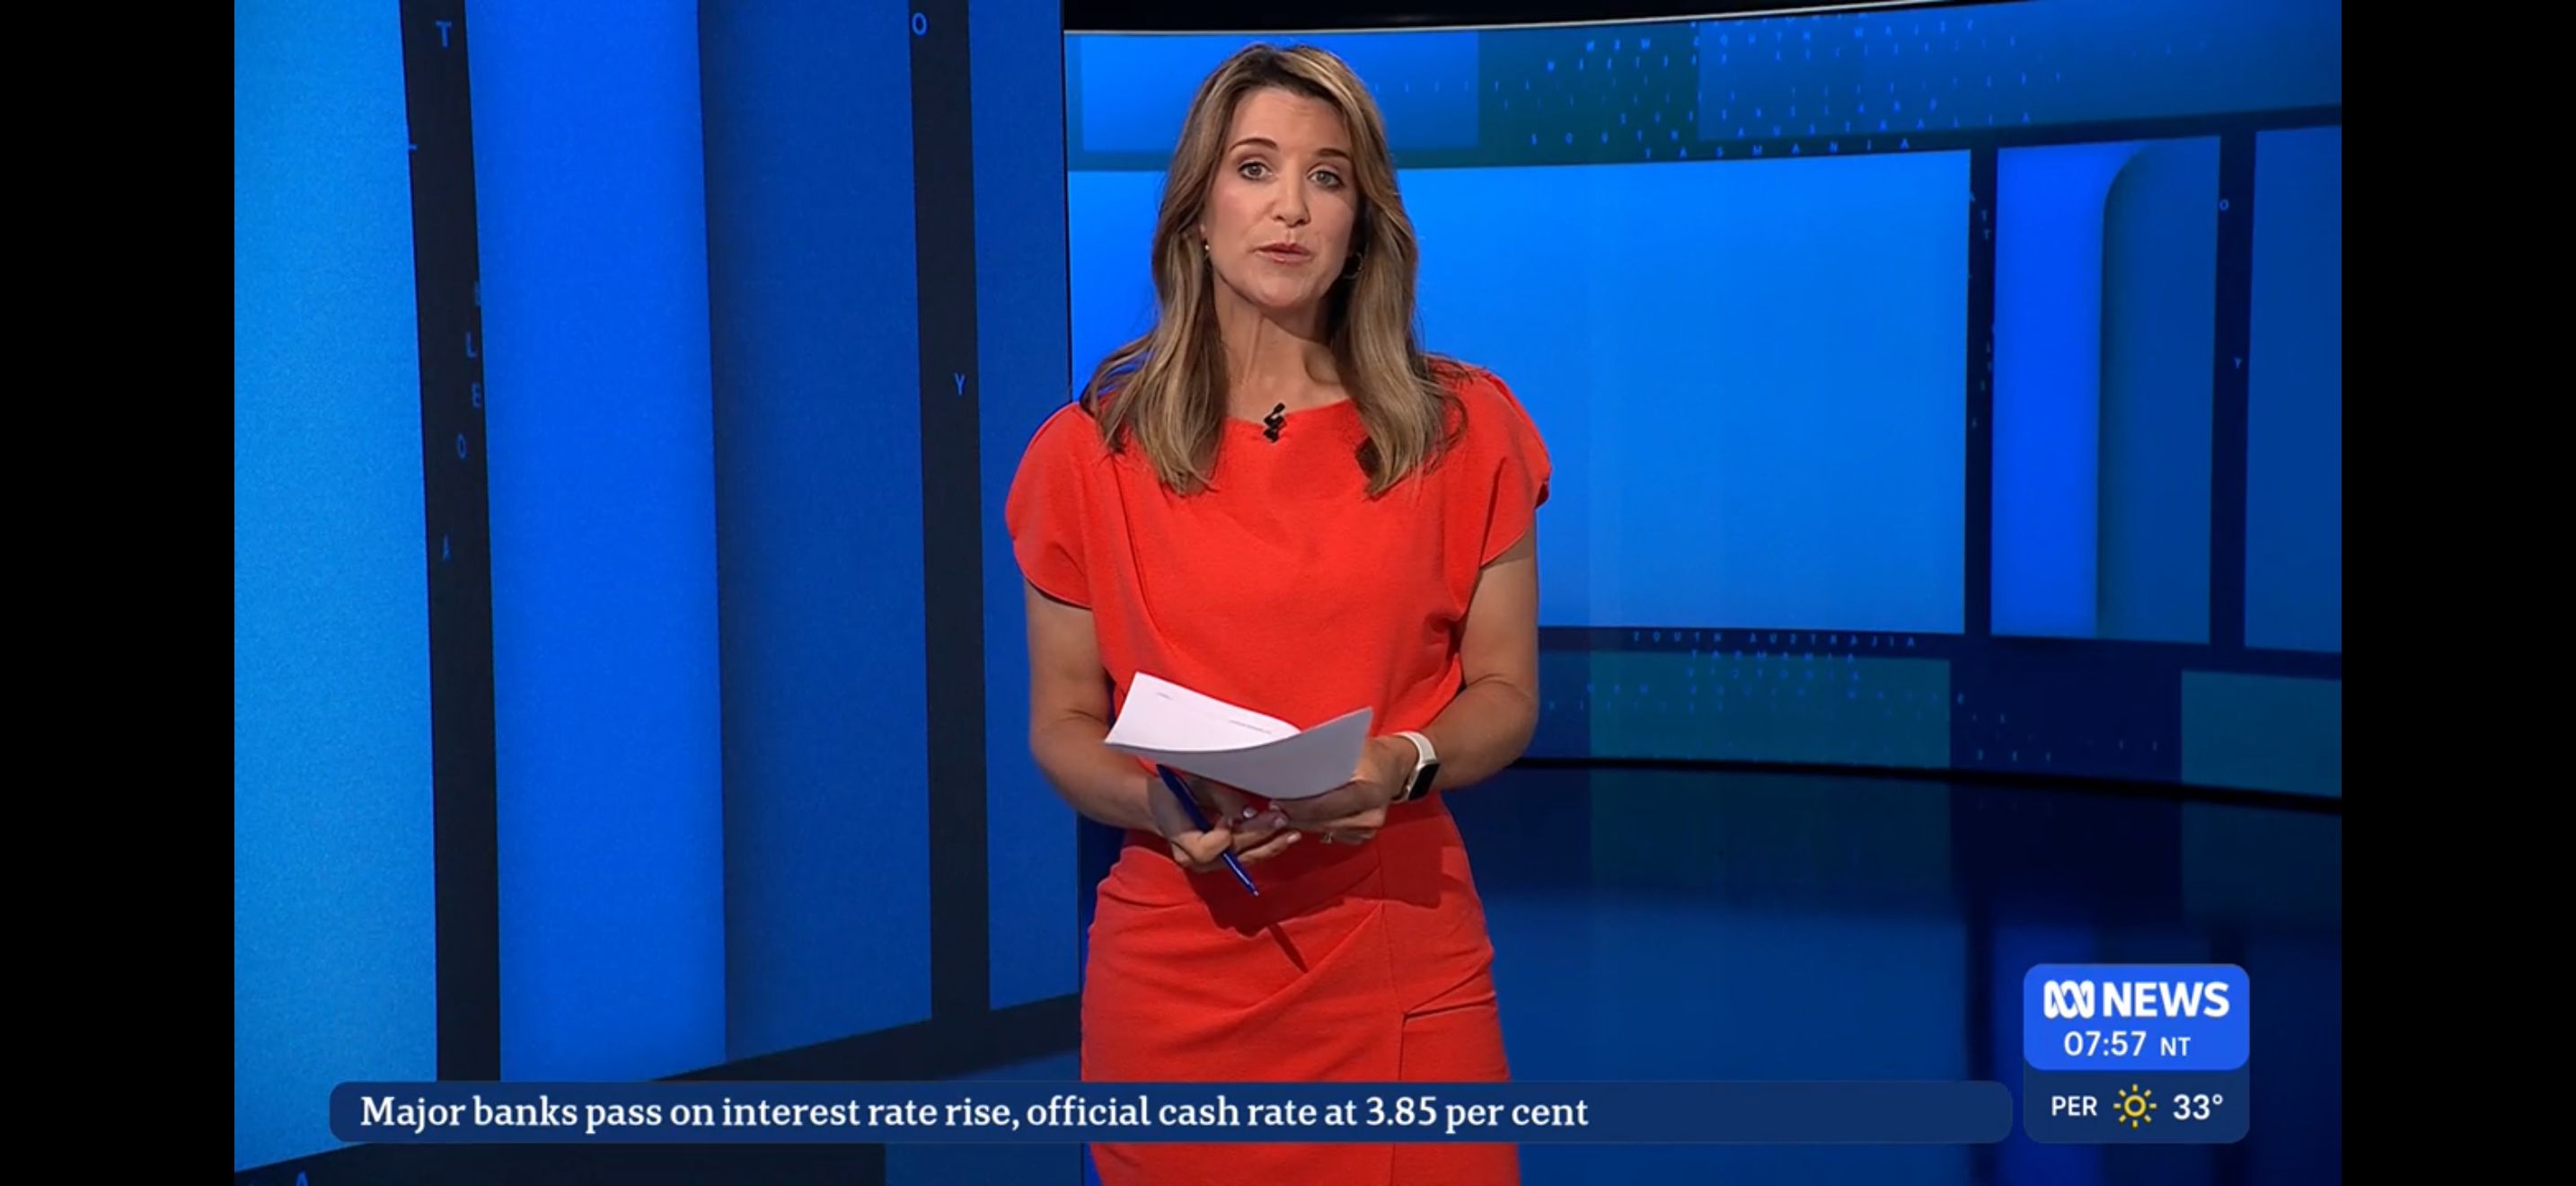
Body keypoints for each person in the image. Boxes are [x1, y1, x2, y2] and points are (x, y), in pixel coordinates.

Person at [1005, 42, 1548, 1185]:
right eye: (1255, 168)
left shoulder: (1464, 431)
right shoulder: (1086, 455)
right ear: (1197, 213)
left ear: (1362, 224)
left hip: (1403, 957)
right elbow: (1062, 723)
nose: (1291, 207)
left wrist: (1400, 762)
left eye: (1327, 177)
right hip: (1178, 983)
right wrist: (1155, 801)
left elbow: (1504, 693)